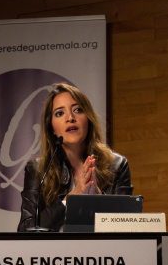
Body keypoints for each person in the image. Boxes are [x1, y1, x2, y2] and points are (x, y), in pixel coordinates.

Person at [17, 83, 133, 232]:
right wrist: (72, 198)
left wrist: (98, 199)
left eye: (78, 110)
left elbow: (128, 229)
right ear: (51, 127)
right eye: (60, 113)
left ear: (88, 118)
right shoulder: (37, 170)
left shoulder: (117, 165)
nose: (70, 118)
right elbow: (26, 230)